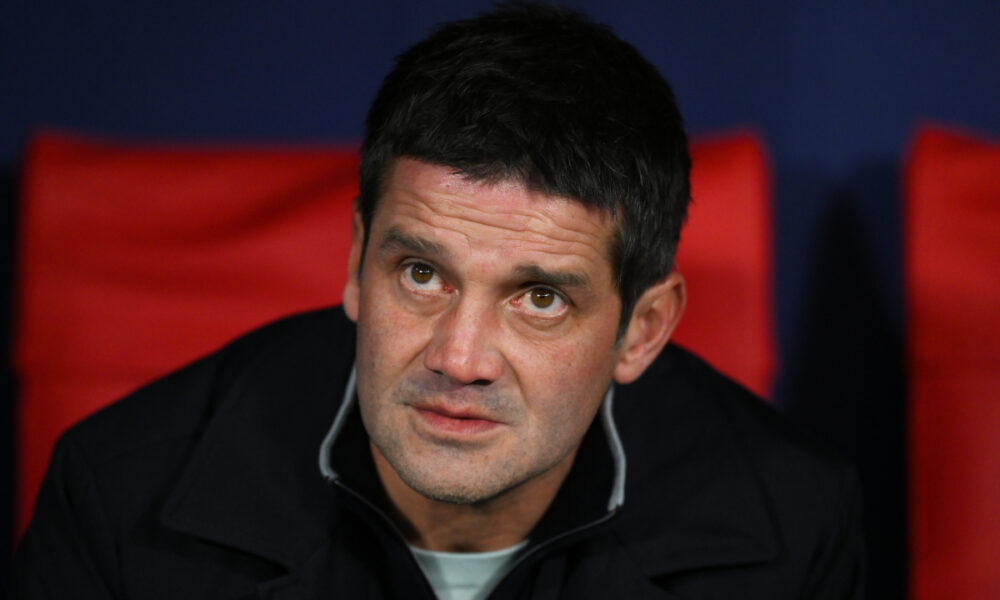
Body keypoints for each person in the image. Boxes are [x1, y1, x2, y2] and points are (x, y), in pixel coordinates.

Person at [14, 3, 864, 598]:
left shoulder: (792, 529)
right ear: (355, 263)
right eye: (422, 275)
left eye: (539, 298)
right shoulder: (121, 496)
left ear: (642, 329)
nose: (459, 358)